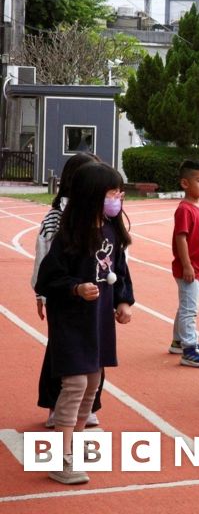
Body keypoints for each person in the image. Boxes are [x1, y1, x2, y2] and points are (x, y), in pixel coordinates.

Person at [35, 162, 134, 484]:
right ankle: (61, 458)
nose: (118, 198)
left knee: (93, 384)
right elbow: (47, 279)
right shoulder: (70, 235)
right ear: (92, 195)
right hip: (71, 321)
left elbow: (119, 271)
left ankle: (73, 444)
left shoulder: (112, 231)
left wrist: (122, 301)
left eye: (119, 192)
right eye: (112, 192)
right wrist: (76, 288)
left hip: (98, 321)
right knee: (76, 384)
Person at [31, 152, 102, 429]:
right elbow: (44, 256)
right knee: (61, 353)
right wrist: (41, 293)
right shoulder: (57, 217)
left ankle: (88, 406)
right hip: (64, 296)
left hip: (93, 296)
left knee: (95, 352)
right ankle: (55, 405)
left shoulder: (100, 218)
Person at [170, 159, 199, 367]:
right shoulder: (185, 210)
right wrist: (187, 265)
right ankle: (189, 349)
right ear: (185, 183)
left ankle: (178, 341)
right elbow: (181, 238)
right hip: (189, 269)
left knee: (187, 306)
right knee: (190, 309)